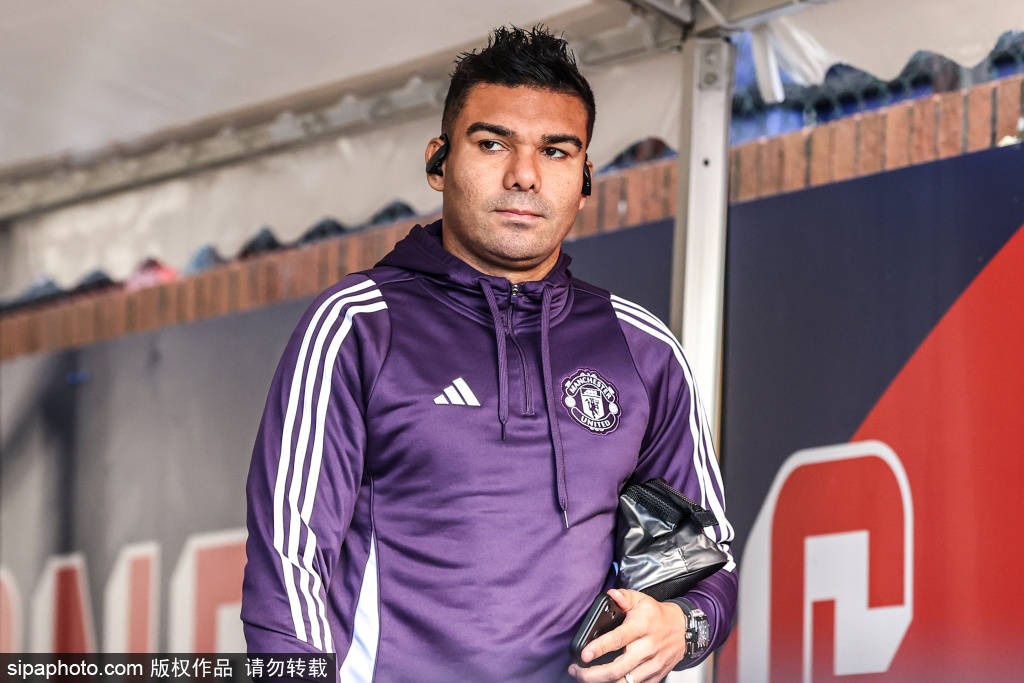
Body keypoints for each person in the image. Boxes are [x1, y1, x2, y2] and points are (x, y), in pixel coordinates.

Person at [242, 24, 737, 683]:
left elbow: (704, 561)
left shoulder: (642, 350)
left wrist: (683, 623)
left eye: (556, 151)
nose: (524, 175)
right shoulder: (358, 326)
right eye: (492, 143)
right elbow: (288, 563)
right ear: (439, 161)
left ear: (586, 179)